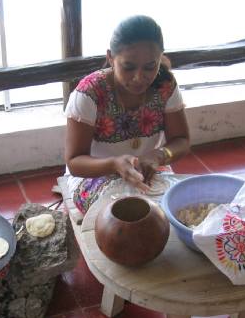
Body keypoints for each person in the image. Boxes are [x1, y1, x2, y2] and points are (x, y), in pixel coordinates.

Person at [64, 15, 190, 214]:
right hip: (95, 175)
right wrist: (114, 164)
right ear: (110, 58)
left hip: (146, 169)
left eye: (150, 66)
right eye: (128, 67)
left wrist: (159, 155)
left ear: (160, 58)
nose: (139, 77)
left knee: (179, 207)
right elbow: (74, 162)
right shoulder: (90, 93)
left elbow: (181, 140)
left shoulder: (165, 86)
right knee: (123, 214)